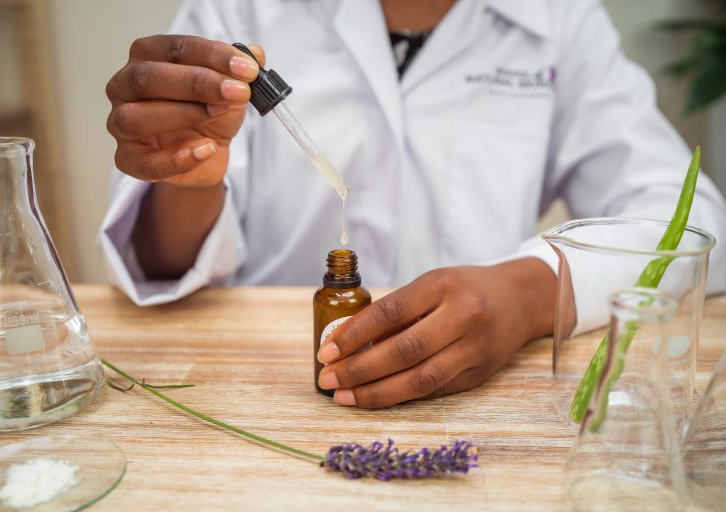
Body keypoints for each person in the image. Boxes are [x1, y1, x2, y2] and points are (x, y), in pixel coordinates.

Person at [100, 0, 726, 409]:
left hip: (486, 398)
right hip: (257, 391)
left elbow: (696, 227)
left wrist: (533, 293)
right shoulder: (240, 10)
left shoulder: (560, 19)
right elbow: (158, 258)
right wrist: (188, 177)